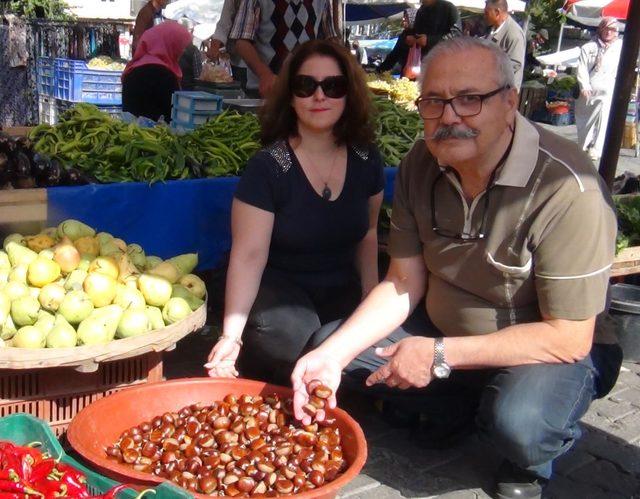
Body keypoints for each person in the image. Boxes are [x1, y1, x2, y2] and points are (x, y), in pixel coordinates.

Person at [291, 36, 622, 499]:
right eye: (434, 101)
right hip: (445, 330)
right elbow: (403, 281)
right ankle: (461, 403)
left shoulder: (567, 188)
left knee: (521, 425)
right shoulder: (420, 165)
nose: (449, 116)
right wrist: (331, 357)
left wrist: (440, 355)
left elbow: (568, 336)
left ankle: (531, 453)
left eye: (470, 100)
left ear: (510, 103)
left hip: (548, 347)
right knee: (330, 348)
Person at [204, 40, 385, 383]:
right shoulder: (269, 167)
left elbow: (370, 233)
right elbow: (249, 255)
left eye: (333, 86)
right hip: (279, 292)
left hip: (338, 286)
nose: (320, 96)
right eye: (306, 86)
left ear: (349, 94)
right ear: (290, 95)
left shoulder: (366, 159)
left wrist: (370, 302)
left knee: (346, 341)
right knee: (294, 339)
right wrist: (231, 336)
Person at [227, 0, 338, 97]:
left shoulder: (322, 2)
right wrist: (265, 74)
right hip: (267, 92)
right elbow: (241, 41)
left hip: (307, 89)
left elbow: (331, 40)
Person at [122, 22, 192, 122]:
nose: (182, 51)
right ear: (171, 43)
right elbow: (171, 116)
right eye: (181, 46)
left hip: (129, 134)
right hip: (155, 136)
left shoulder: (133, 69)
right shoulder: (165, 76)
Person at [575, 17, 623, 163]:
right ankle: (583, 146)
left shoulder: (621, 47)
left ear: (616, 32)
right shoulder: (589, 47)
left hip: (608, 90)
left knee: (604, 119)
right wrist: (584, 86)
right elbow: (582, 67)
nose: (609, 32)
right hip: (589, 90)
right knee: (584, 123)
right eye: (606, 28)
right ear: (600, 29)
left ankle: (596, 149)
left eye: (612, 29)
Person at [484, 0, 526, 90]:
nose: (484, 16)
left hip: (504, 93)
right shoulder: (492, 29)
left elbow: (515, 64)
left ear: (497, 12)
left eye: (486, 12)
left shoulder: (514, 33)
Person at [377, 9, 417, 74]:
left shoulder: (419, 35)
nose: (403, 19)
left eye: (406, 17)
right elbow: (394, 55)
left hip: (417, 72)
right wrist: (380, 69)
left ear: (412, 19)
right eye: (404, 17)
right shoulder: (403, 35)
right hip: (405, 72)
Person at [177, 17, 204, 91]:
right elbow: (198, 77)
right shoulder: (194, 51)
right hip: (188, 92)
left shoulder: (170, 47)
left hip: (172, 89)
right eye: (192, 31)